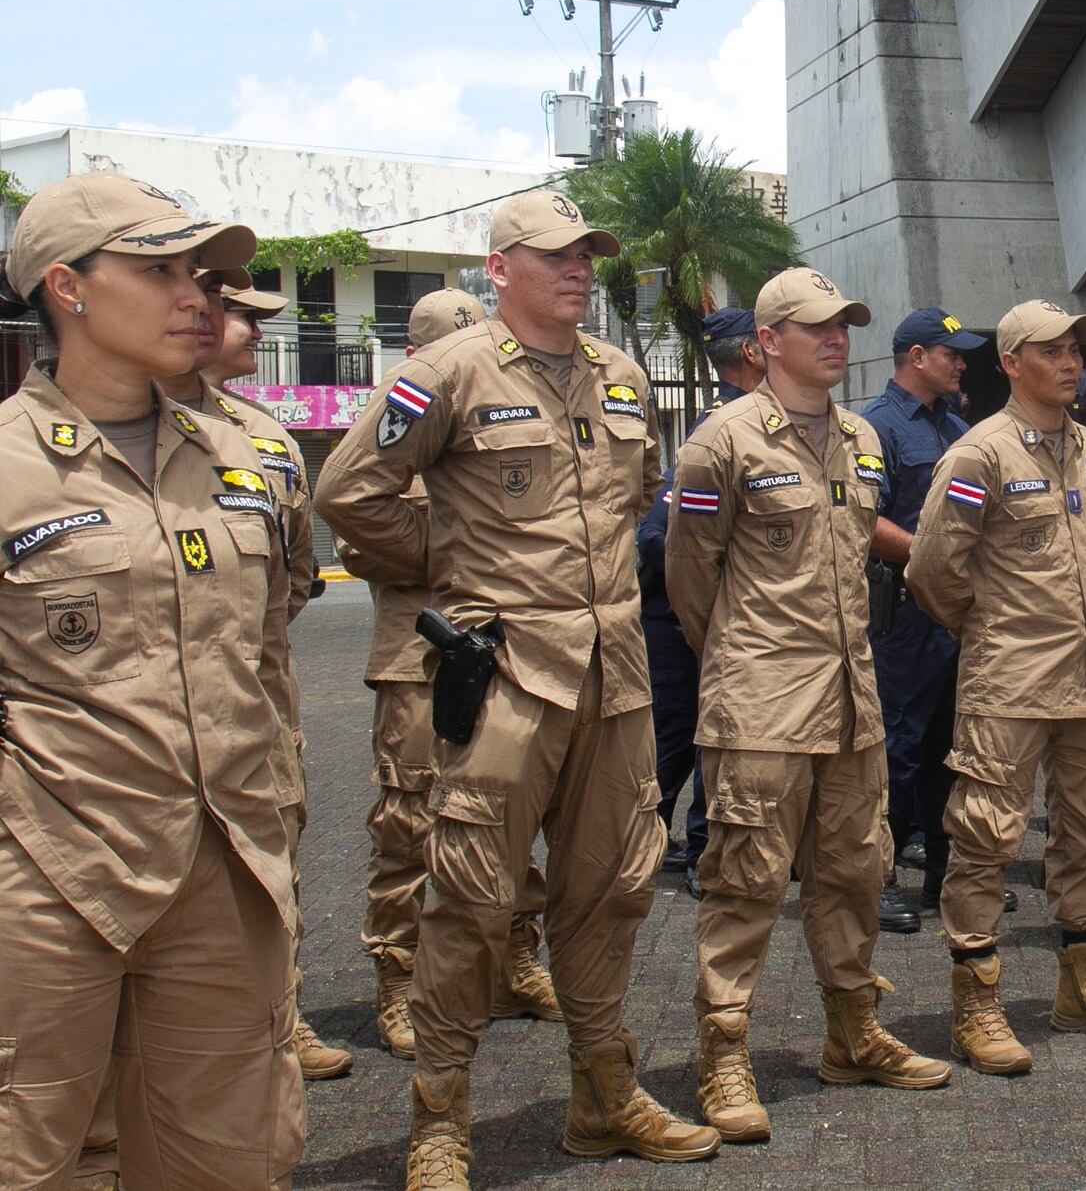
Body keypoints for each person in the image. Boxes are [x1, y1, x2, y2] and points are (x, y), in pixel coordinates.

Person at [317, 188, 717, 1186]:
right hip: (503, 678)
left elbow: (637, 492)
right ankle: (439, 1119)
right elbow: (349, 493)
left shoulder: (621, 375)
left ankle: (602, 1094)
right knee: (470, 898)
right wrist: (456, 566)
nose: (577, 269)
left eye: (586, 255)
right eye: (554, 255)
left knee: (611, 889)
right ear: (499, 269)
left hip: (614, 676)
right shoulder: (446, 372)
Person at [0, 173, 304, 1185]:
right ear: (67, 288)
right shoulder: (8, 466)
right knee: (25, 1155)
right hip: (46, 876)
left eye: (198, 274)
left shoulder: (240, 460)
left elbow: (265, 654)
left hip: (223, 870)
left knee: (226, 1160)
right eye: (160, 270)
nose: (195, 296)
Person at [668, 268, 952, 1140]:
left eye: (845, 325)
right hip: (762, 702)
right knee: (745, 881)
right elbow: (690, 579)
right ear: (767, 341)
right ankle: (724, 1051)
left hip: (851, 697)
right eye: (817, 326)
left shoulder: (861, 437)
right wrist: (745, 660)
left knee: (854, 871)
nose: (836, 338)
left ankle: (852, 1030)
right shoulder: (721, 442)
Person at [906, 300, 1086, 1075]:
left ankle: (1084, 983)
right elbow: (932, 568)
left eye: (1076, 350)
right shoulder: (978, 454)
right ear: (1012, 363)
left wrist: (1073, 618)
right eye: (1051, 350)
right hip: (1009, 680)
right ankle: (976, 1001)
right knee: (986, 835)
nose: (1070, 363)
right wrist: (993, 627)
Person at [152, 273, 358, 1081]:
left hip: (254, 704)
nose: (248, 327)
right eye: (239, 311)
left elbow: (294, 573)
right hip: (134, 724)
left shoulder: (265, 441)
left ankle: (281, 1013)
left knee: (271, 867)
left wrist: (242, 644)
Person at [345, 289, 559, 1063]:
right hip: (416, 656)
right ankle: (398, 975)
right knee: (408, 821)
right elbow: (358, 537)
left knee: (507, 808)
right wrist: (469, 550)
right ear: (417, 355)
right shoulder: (394, 421)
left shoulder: (507, 415)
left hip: (503, 649)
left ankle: (515, 957)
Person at [862, 307, 988, 932]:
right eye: (951, 353)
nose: (962, 364)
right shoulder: (874, 427)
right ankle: (877, 879)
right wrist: (932, 556)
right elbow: (862, 519)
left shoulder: (959, 429)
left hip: (955, 615)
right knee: (894, 747)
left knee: (951, 748)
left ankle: (944, 872)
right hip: (903, 615)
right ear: (916, 357)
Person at [639, 304, 765, 896]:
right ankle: (681, 846)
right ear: (751, 351)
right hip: (681, 617)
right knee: (687, 732)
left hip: (700, 614)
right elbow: (658, 534)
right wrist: (707, 595)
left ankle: (662, 840)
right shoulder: (720, 427)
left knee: (695, 731)